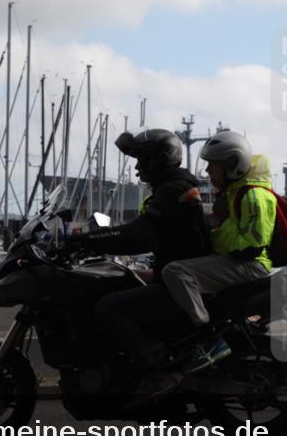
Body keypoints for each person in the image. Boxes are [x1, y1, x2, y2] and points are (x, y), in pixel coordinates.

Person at [63, 128, 209, 397]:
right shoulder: (171, 188)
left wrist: (84, 240)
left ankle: (156, 374)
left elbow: (139, 234)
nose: (138, 167)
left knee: (109, 308)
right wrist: (94, 241)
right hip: (173, 278)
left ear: (159, 160)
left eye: (143, 160)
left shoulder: (174, 190)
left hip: (178, 285)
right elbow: (144, 237)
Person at [161, 130, 275, 368]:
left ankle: (209, 339)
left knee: (176, 271)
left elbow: (251, 245)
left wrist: (216, 231)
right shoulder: (234, 194)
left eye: (213, 165)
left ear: (232, 165)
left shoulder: (253, 196)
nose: (207, 171)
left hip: (251, 265)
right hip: (239, 261)